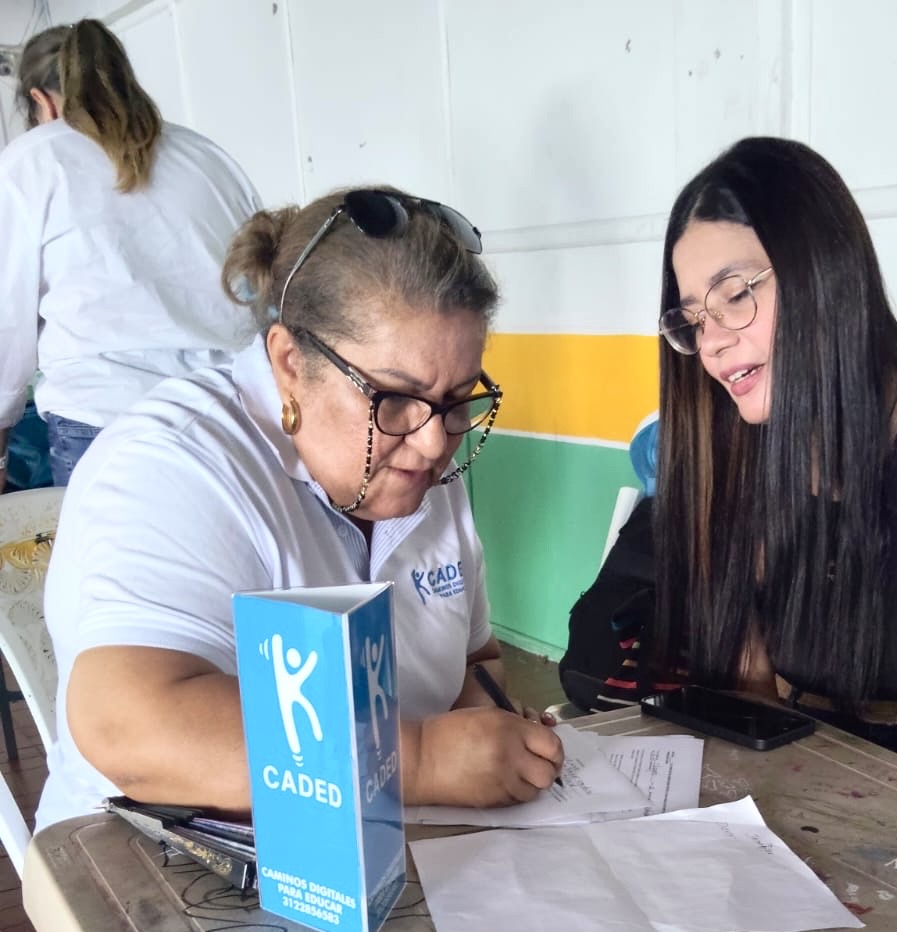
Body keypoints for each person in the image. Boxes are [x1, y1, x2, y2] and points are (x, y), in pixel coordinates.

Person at [562, 137, 897, 823]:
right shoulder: (734, 445)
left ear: (823, 273)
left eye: (735, 294)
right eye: (691, 318)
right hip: (823, 773)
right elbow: (750, 689)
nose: (711, 342)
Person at [35, 185, 564, 831]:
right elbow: (128, 726)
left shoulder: (422, 454)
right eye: (394, 396)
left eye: (458, 398)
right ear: (289, 361)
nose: (432, 441)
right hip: (169, 862)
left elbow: (473, 661)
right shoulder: (173, 463)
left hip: (386, 841)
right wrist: (420, 758)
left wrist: (493, 726)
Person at [0, 19, 261, 485]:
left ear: (40, 101)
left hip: (103, 424)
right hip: (229, 417)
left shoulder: (32, 161)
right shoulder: (208, 158)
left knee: (107, 561)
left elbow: (6, 328)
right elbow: (260, 290)